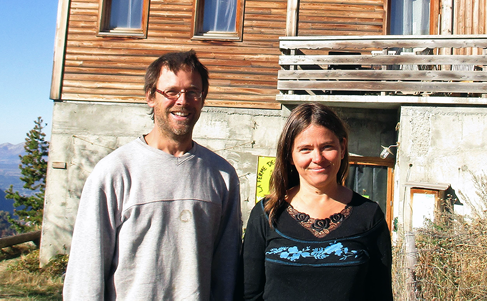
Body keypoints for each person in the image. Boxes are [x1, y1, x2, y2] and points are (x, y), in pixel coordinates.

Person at [63, 50, 242, 301]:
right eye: (171, 92)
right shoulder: (114, 173)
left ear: (202, 99)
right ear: (150, 96)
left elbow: (227, 270)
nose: (183, 101)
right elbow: (86, 273)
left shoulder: (222, 175)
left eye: (193, 92)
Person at [243, 102, 393, 301]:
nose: (317, 158)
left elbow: (380, 295)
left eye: (327, 147)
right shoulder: (267, 213)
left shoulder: (369, 216)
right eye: (305, 149)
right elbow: (248, 294)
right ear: (289, 154)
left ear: (342, 147)